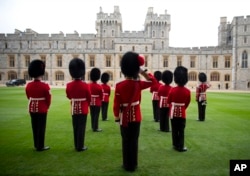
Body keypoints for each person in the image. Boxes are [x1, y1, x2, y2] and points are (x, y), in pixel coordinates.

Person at [113, 51, 156, 172]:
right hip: (136, 117)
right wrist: (142, 71)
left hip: (124, 118)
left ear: (124, 70)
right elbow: (154, 83)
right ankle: (134, 164)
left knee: (125, 141)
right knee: (134, 140)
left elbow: (116, 104)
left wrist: (117, 117)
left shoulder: (119, 85)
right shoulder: (139, 84)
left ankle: (127, 164)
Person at [25, 59, 51, 151]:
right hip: (42, 108)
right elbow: (48, 99)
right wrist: (46, 106)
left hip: (32, 108)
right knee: (41, 128)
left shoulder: (28, 85)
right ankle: (41, 146)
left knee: (34, 127)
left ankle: (36, 145)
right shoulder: (45, 86)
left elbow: (28, 96)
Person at [66, 58, 91, 152]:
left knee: (75, 127)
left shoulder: (69, 85)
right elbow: (89, 97)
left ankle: (76, 145)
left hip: (73, 108)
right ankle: (80, 146)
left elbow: (69, 96)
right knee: (81, 127)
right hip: (83, 108)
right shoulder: (85, 85)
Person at [167, 66, 191, 152]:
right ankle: (180, 146)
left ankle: (175, 144)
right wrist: (183, 108)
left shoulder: (172, 90)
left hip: (173, 113)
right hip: (182, 113)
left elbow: (168, 101)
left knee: (174, 129)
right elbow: (187, 103)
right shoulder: (187, 91)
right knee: (181, 130)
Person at [89, 67, 103, 132]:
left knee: (92, 115)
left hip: (91, 102)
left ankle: (92, 127)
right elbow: (101, 96)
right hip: (97, 102)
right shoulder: (99, 86)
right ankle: (95, 128)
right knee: (96, 116)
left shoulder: (88, 85)